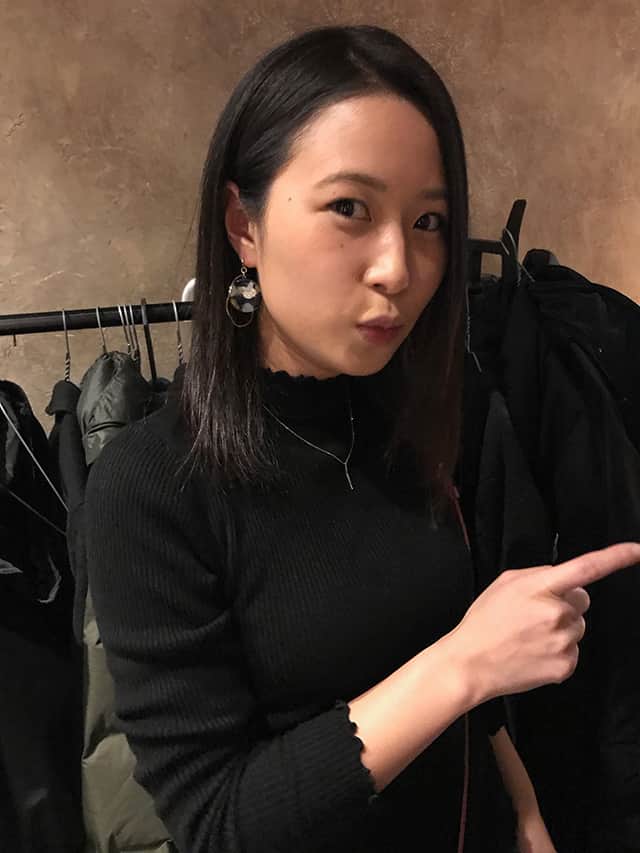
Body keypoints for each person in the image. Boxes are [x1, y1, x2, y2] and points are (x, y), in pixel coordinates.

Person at [84, 24, 640, 853]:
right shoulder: (151, 484)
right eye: (350, 208)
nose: (400, 268)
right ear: (243, 225)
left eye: (429, 221)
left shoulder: (417, 419)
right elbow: (217, 821)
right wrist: (464, 662)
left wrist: (525, 812)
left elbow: (464, 687)